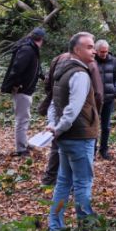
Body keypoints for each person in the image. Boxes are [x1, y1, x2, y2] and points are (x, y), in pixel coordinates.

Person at [47, 32, 100, 231]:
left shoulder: (62, 70)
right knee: (83, 183)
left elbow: (53, 103)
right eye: (89, 47)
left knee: (63, 182)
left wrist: (54, 126)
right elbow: (72, 109)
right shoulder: (79, 74)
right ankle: (85, 226)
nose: (93, 50)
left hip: (65, 137)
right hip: (79, 136)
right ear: (77, 50)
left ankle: (55, 226)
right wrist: (57, 127)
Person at [39, 51, 102, 186]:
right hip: (82, 121)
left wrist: (54, 118)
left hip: (60, 113)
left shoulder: (58, 59)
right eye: (90, 47)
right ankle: (74, 189)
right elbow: (98, 93)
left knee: (57, 149)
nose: (93, 51)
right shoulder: (88, 64)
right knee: (82, 170)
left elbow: (49, 84)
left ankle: (49, 179)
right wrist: (94, 114)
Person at [0, 27, 45, 157]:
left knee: (25, 117)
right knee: (22, 119)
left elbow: (35, 68)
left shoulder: (31, 49)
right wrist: (16, 84)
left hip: (26, 89)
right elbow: (17, 68)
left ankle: (24, 142)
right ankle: (21, 148)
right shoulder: (27, 49)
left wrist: (43, 77)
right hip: (22, 89)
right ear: (41, 39)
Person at [94, 39, 116, 160]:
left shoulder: (113, 61)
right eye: (101, 52)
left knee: (106, 127)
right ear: (96, 50)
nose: (104, 54)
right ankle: (92, 150)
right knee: (93, 125)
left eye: (106, 51)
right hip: (95, 99)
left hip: (109, 98)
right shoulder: (92, 61)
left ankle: (103, 150)